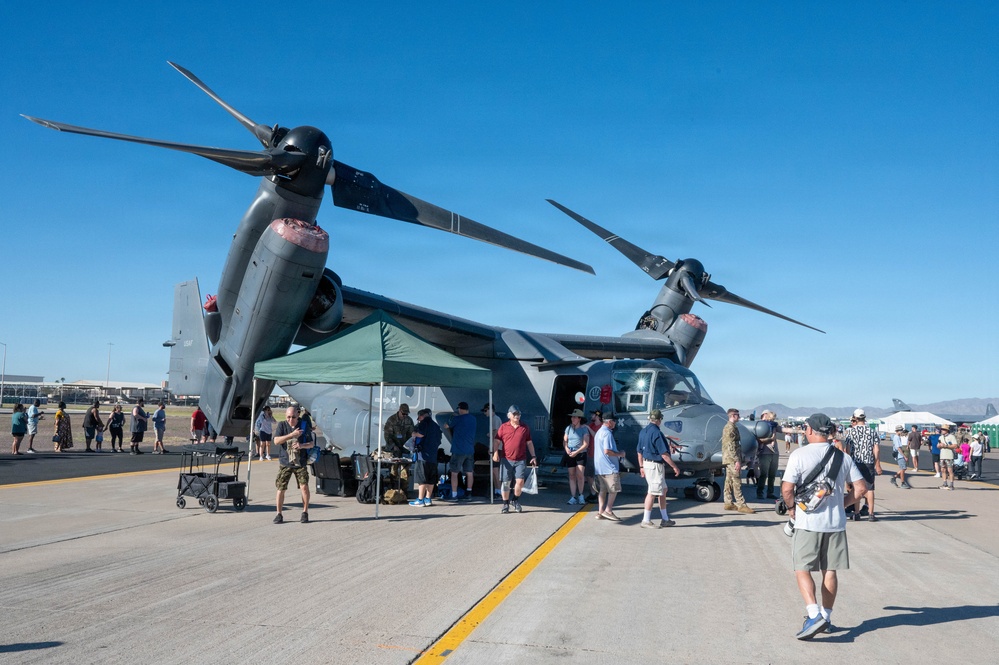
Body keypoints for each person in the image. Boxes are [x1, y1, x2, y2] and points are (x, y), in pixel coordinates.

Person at [781, 413, 867, 640]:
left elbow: (787, 489)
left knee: (802, 567)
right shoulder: (843, 457)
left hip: (807, 523)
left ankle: (813, 614)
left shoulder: (799, 455)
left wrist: (792, 509)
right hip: (835, 524)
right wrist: (842, 503)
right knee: (830, 570)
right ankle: (826, 618)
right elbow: (861, 489)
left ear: (809, 430)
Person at [636, 409, 681, 528]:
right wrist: (675, 466)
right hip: (655, 466)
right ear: (659, 420)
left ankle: (665, 518)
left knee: (663, 490)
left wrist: (641, 466)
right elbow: (664, 455)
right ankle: (645, 520)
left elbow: (639, 452)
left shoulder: (643, 431)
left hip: (647, 464)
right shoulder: (657, 433)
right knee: (652, 492)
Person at [494, 405, 537, 514]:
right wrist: (495, 453)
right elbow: (497, 441)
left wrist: (533, 456)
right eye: (514, 414)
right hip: (506, 459)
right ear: (509, 415)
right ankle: (505, 504)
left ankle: (515, 500)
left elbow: (529, 442)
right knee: (506, 482)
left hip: (520, 459)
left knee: (520, 481)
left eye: (518, 414)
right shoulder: (503, 427)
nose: (517, 416)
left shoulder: (524, 427)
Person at [273, 406, 311, 524]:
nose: (291, 420)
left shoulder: (304, 425)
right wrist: (291, 435)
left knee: (304, 487)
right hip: (286, 462)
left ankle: (305, 512)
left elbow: (311, 443)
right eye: (288, 417)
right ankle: (279, 514)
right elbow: (276, 441)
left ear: (297, 416)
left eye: (293, 417)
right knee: (281, 488)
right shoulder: (282, 425)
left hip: (300, 462)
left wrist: (302, 446)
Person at [843, 409, 881, 521]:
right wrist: (877, 463)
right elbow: (876, 449)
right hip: (869, 462)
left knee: (856, 487)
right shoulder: (872, 431)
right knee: (870, 488)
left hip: (856, 462)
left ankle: (857, 513)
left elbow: (848, 449)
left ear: (855, 418)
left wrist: (849, 462)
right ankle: (871, 514)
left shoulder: (851, 431)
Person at [593, 411, 626, 521]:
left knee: (602, 490)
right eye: (614, 421)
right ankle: (608, 510)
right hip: (609, 467)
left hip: (600, 467)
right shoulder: (607, 433)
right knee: (614, 489)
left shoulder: (599, 432)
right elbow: (607, 451)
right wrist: (620, 454)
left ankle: (600, 512)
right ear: (609, 422)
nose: (615, 423)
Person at [722, 408, 755, 514]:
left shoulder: (730, 427)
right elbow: (731, 445)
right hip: (732, 458)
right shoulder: (730, 428)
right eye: (737, 415)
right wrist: (737, 460)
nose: (739, 417)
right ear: (732, 415)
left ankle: (728, 502)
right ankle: (741, 504)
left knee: (729, 480)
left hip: (729, 458)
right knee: (737, 481)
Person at [409, 408, 442, 507]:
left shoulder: (423, 423)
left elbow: (421, 434)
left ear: (422, 416)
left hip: (423, 456)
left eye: (419, 417)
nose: (418, 419)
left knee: (422, 478)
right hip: (433, 456)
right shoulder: (436, 426)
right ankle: (428, 498)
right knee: (431, 479)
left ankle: (420, 500)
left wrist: (414, 434)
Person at [445, 402, 476, 500]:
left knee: (454, 472)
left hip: (458, 449)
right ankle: (469, 493)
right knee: (469, 472)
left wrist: (452, 417)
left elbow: (447, 426)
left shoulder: (457, 419)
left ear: (460, 409)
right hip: (470, 449)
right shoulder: (473, 419)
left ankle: (454, 495)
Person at [562, 409, 591, 505]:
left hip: (581, 454)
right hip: (570, 454)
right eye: (572, 417)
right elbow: (565, 440)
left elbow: (586, 444)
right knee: (571, 475)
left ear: (579, 419)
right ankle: (573, 496)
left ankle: (581, 495)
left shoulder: (584, 429)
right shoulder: (568, 428)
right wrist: (566, 448)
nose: (572, 418)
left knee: (580, 475)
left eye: (575, 417)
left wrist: (576, 452)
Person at [756, 410, 781, 500]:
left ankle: (770, 492)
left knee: (772, 475)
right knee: (763, 474)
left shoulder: (774, 425)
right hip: (764, 453)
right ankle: (760, 492)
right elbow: (759, 439)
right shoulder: (759, 426)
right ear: (764, 415)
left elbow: (784, 429)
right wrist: (770, 439)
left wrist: (800, 431)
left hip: (774, 453)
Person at [482, 403, 503, 497]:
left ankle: (499, 490)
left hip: (496, 448)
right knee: (494, 470)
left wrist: (492, 448)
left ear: (490, 410)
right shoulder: (494, 419)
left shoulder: (495, 419)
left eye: (485, 411)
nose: (484, 413)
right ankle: (497, 489)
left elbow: (496, 433)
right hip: (495, 448)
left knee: (495, 470)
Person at [938, 424, 958, 490]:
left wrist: (946, 446)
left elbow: (955, 445)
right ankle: (944, 483)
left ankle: (951, 484)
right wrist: (939, 445)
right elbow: (937, 446)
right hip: (942, 456)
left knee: (950, 470)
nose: (942, 431)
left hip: (949, 456)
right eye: (941, 429)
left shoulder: (951, 437)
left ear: (947, 430)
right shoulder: (940, 437)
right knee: (943, 470)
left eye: (943, 429)